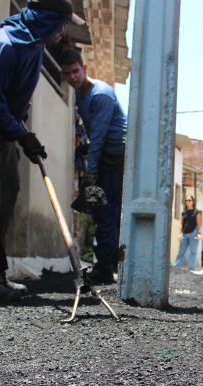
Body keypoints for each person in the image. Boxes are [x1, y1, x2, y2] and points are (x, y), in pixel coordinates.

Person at [0, 0, 84, 302]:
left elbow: (17, 97)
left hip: (2, 128)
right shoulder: (5, 46)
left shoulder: (34, 46)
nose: (63, 31)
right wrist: (21, 134)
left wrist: (21, 129)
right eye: (62, 23)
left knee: (6, 194)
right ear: (47, 19)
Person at [59, 49, 128, 285]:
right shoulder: (80, 95)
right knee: (101, 213)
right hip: (102, 157)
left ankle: (105, 268)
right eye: (67, 73)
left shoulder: (101, 95)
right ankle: (105, 266)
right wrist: (85, 146)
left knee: (107, 212)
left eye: (75, 71)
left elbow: (99, 138)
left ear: (84, 68)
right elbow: (92, 136)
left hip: (115, 159)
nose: (72, 77)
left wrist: (90, 174)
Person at [173, 195, 203, 271]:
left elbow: (199, 223)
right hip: (184, 233)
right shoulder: (184, 212)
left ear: (193, 202)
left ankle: (191, 268)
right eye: (186, 200)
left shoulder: (197, 212)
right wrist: (179, 234)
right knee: (181, 251)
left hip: (193, 233)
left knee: (193, 251)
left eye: (189, 200)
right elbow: (181, 224)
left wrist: (199, 233)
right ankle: (176, 267)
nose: (188, 202)